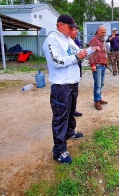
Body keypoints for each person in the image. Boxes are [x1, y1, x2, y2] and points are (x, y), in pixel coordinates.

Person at [42, 14, 89, 164]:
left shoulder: (69, 40)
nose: (72, 30)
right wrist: (77, 57)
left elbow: (77, 53)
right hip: (61, 85)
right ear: (60, 24)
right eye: (70, 27)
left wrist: (86, 53)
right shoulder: (51, 39)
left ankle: (70, 132)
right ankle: (59, 150)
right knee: (60, 117)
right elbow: (56, 60)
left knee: (70, 112)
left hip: (72, 82)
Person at [89, 25, 109, 110]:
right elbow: (90, 53)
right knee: (97, 84)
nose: (104, 33)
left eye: (105, 32)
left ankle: (99, 98)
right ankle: (96, 101)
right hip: (97, 65)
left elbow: (104, 52)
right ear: (98, 31)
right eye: (102, 32)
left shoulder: (103, 40)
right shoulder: (94, 40)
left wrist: (106, 61)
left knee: (101, 84)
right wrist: (92, 64)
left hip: (103, 64)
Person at [70, 27, 83, 117]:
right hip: (69, 71)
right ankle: (69, 112)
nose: (77, 31)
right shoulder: (66, 42)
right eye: (75, 29)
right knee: (69, 94)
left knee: (75, 93)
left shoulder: (77, 42)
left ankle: (73, 110)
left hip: (77, 68)